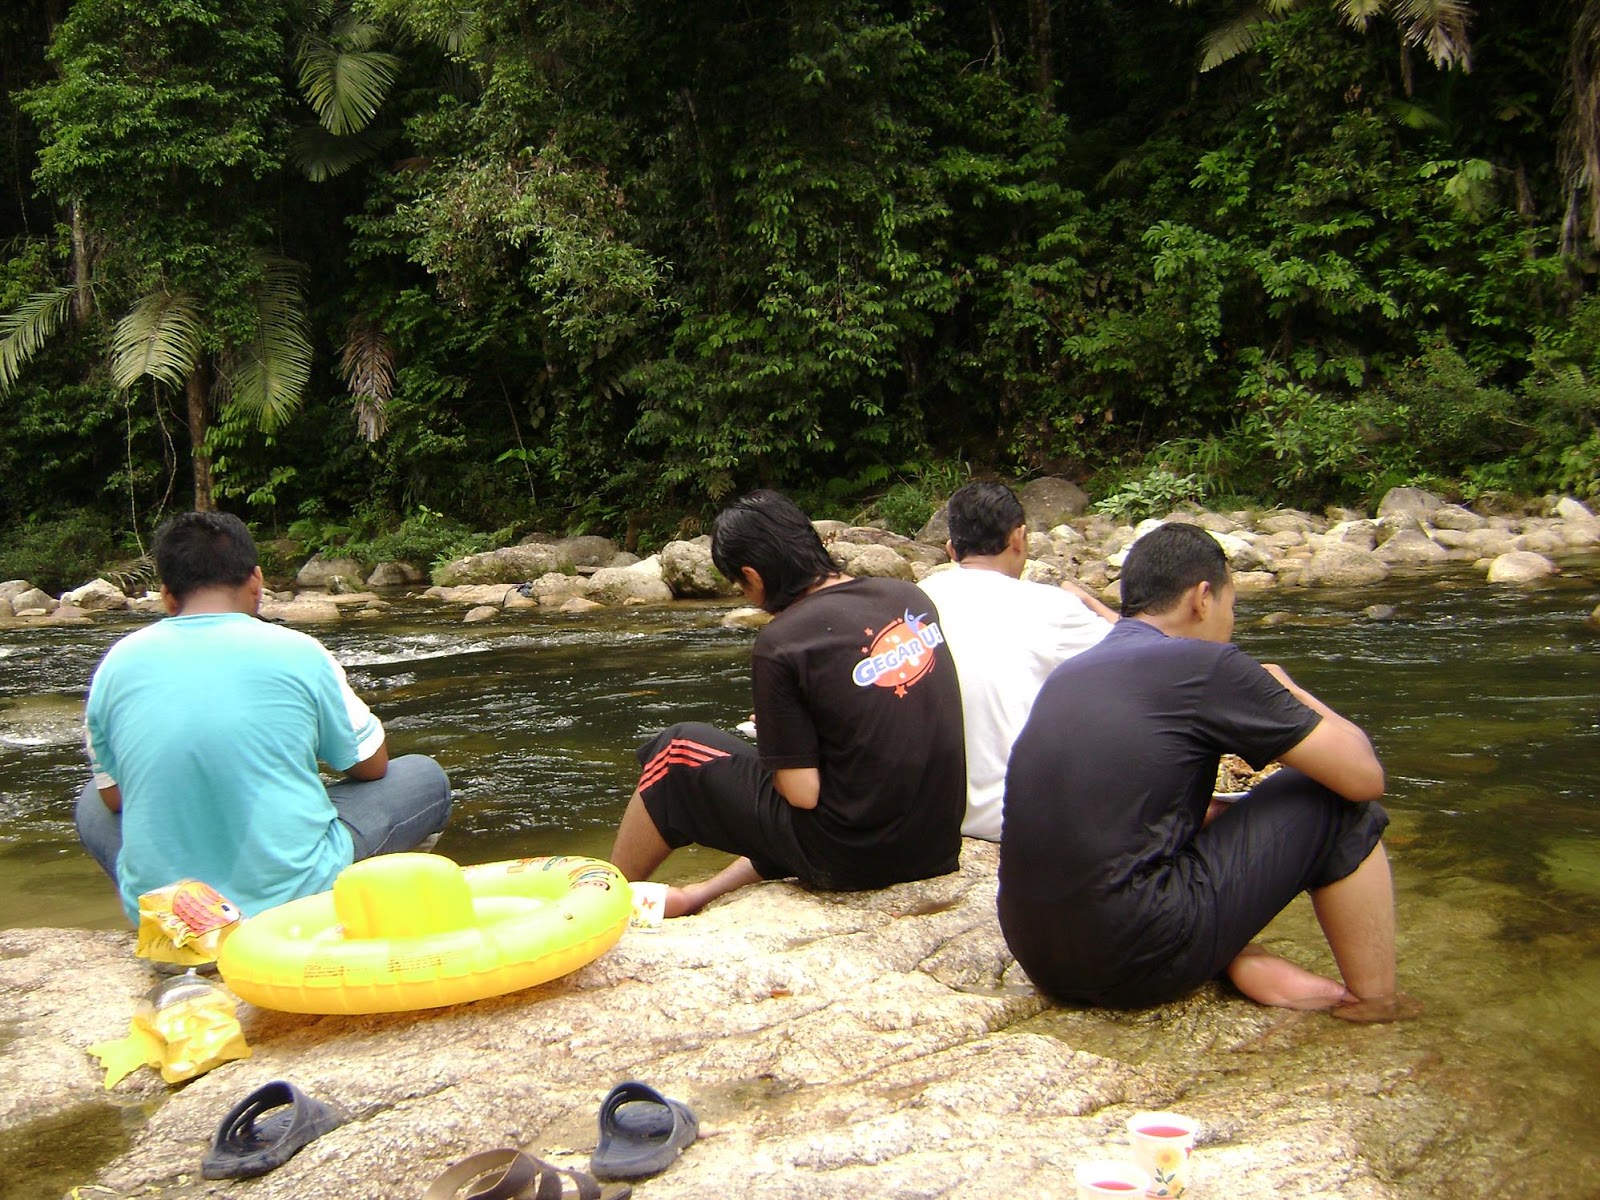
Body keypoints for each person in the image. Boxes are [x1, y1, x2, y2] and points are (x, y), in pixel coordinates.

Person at [999, 521, 1416, 1021]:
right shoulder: (1207, 664)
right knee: (1335, 803)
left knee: (1210, 821)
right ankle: (1374, 1003)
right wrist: (1290, 690)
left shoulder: (1075, 672)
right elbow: (1363, 776)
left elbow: (1114, 817)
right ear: (1202, 598)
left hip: (1041, 956)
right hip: (1136, 959)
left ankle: (1235, 955)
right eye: (1231, 607)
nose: (1231, 623)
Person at [76, 511, 452, 924]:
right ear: (256, 582)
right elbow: (371, 766)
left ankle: (183, 911)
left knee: (92, 803)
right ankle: (371, 899)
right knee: (422, 776)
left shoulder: (115, 665)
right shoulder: (298, 651)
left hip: (170, 915)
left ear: (167, 596)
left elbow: (116, 798)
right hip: (293, 901)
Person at [608, 490, 966, 916]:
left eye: (740, 585)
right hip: (935, 844)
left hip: (857, 858)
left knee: (676, 753)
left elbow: (802, 796)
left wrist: (779, 742)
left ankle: (601, 901)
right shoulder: (910, 598)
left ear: (753, 577)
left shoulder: (783, 641)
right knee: (810, 796)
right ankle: (698, 895)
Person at [918, 481, 1116, 840]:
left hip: (934, 810)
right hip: (1012, 814)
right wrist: (1090, 602)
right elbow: (1144, 657)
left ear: (951, 549)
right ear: (1019, 538)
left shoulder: (916, 601)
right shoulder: (1052, 605)